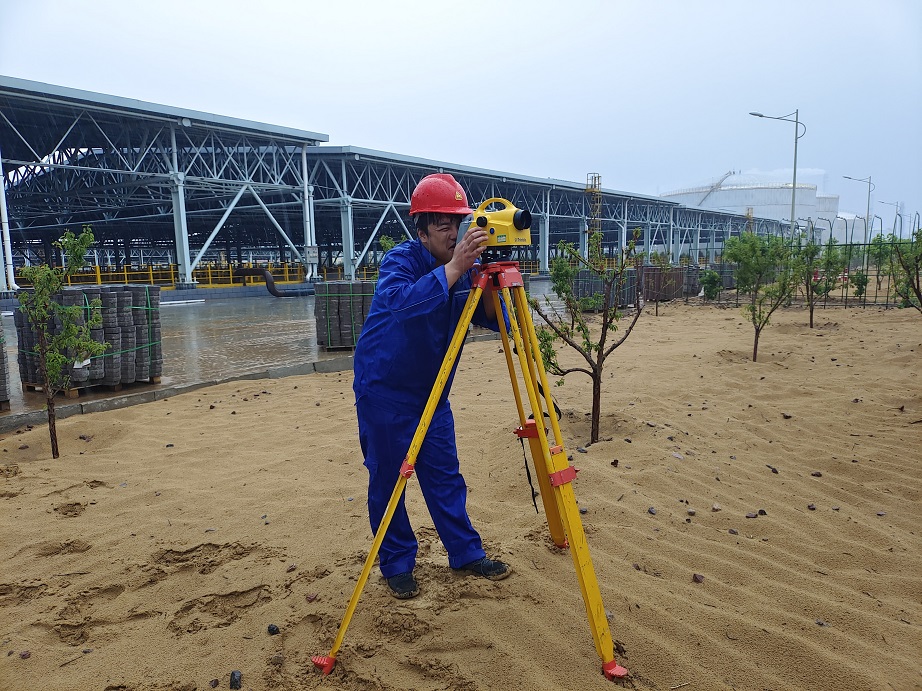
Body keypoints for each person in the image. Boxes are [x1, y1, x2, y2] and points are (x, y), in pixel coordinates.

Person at [352, 173, 511, 599]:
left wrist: (492, 276)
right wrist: (457, 267)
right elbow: (403, 306)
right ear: (421, 232)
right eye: (442, 225)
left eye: (457, 224)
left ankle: (465, 553)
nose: (453, 233)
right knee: (388, 480)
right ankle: (397, 562)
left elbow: (501, 323)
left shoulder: (468, 269)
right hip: (384, 391)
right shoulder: (398, 262)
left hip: (431, 394)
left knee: (444, 477)